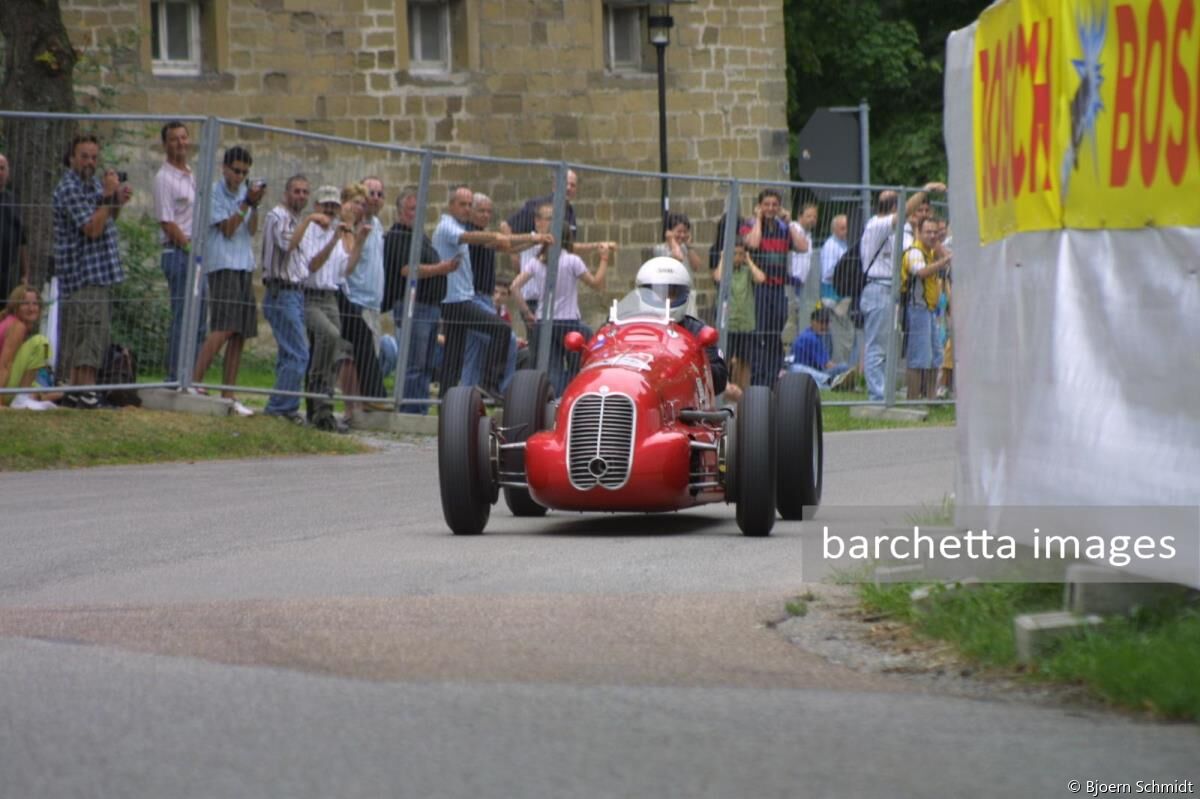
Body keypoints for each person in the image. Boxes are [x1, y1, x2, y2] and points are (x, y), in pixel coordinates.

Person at [435, 185, 548, 397]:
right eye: (477, 209)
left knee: (467, 352)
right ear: (452, 206)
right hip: (466, 299)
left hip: (472, 298)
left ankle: (457, 399)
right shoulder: (461, 232)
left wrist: (535, 241)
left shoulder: (469, 232)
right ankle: (493, 388)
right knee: (504, 337)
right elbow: (498, 241)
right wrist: (530, 237)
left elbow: (507, 247)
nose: (484, 214)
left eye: (488, 211)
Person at [52, 133, 131, 410]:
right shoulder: (69, 188)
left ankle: (77, 392)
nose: (90, 162)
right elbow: (92, 228)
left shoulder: (93, 185)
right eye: (84, 156)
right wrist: (109, 196)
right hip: (83, 274)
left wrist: (117, 201)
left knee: (96, 333)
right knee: (89, 333)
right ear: (71, 157)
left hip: (100, 273)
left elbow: (109, 217)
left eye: (94, 157)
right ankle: (85, 392)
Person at [190, 146, 267, 416]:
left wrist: (254, 204)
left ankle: (228, 394)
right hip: (222, 264)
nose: (240, 177)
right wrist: (247, 203)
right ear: (225, 168)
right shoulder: (213, 193)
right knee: (223, 327)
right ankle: (194, 382)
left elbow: (252, 230)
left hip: (244, 264)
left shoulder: (246, 194)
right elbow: (227, 228)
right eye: (236, 171)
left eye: (245, 173)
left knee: (240, 332)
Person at [858, 182, 945, 402]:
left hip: (892, 291)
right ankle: (877, 397)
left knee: (887, 348)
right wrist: (925, 190)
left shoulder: (900, 232)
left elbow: (921, 246)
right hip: (879, 287)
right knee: (877, 347)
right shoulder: (877, 225)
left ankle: (884, 393)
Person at [294, 184, 371, 432]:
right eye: (325, 205)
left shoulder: (336, 233)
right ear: (316, 207)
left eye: (333, 206)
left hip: (330, 296)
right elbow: (313, 265)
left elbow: (345, 269)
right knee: (329, 336)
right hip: (310, 295)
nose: (329, 210)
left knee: (331, 349)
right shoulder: (309, 233)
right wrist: (335, 239)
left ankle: (321, 411)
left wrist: (358, 241)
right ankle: (319, 401)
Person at [382, 186, 458, 414]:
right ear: (400, 211)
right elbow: (407, 269)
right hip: (414, 307)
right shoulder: (397, 236)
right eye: (411, 209)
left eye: (418, 209)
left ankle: (420, 408)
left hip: (430, 307)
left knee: (426, 363)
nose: (415, 214)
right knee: (414, 363)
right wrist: (441, 268)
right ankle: (409, 410)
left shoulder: (419, 237)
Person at [510, 228, 611, 395]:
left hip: (543, 321)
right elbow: (596, 284)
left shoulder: (536, 262)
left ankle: (553, 406)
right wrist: (604, 258)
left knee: (552, 371)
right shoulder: (572, 261)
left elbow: (514, 287)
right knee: (576, 365)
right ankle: (574, 396)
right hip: (568, 322)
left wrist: (527, 312)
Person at [152, 120, 204, 383]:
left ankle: (191, 376)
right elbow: (167, 220)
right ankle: (175, 376)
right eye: (174, 139)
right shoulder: (164, 178)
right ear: (165, 144)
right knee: (183, 316)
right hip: (179, 253)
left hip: (194, 254)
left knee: (199, 319)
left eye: (184, 138)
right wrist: (189, 247)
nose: (181, 143)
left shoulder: (190, 174)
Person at [738, 188, 807, 387]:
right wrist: (759, 219)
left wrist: (789, 222)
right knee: (759, 333)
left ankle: (773, 376)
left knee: (775, 334)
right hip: (759, 289)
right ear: (760, 206)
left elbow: (803, 247)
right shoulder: (749, 226)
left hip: (778, 289)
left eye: (774, 205)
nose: (771, 208)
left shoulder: (784, 228)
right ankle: (759, 380)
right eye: (766, 204)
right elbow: (753, 243)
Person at [633, 256, 727, 396]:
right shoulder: (629, 329)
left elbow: (720, 379)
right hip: (640, 396)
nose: (665, 300)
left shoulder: (697, 331)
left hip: (684, 404)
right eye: (656, 294)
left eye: (671, 294)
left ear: (684, 294)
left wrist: (692, 369)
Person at [259, 174, 311, 424]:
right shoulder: (277, 217)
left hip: (296, 292)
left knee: (288, 354)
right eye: (296, 191)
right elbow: (287, 244)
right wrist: (310, 220)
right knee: (299, 354)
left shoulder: (296, 220)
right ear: (286, 193)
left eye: (304, 192)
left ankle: (284, 407)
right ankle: (280, 408)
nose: (301, 196)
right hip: (281, 292)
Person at [337, 175, 388, 409]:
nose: (375, 198)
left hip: (373, 302)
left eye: (380, 194)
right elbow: (348, 263)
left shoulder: (377, 226)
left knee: (370, 354)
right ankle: (354, 405)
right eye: (371, 193)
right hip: (355, 297)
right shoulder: (355, 225)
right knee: (351, 356)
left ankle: (363, 404)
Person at [900, 216, 950, 399]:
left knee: (935, 354)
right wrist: (942, 262)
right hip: (916, 310)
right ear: (919, 233)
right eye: (927, 232)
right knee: (919, 356)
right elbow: (921, 272)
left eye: (935, 232)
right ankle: (913, 398)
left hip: (930, 310)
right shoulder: (915, 252)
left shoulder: (930, 251)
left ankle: (930, 398)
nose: (932, 235)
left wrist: (939, 249)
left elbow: (948, 257)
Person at [712, 237, 765, 399]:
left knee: (744, 360)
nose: (737, 257)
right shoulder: (725, 270)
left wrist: (748, 260)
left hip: (746, 324)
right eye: (734, 254)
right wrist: (723, 258)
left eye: (740, 254)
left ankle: (743, 392)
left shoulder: (746, 271)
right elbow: (718, 278)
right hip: (728, 324)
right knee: (725, 359)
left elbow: (761, 278)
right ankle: (724, 391)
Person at [0, 285, 60, 410]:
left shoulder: (11, 322)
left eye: (35, 303)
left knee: (39, 384)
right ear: (15, 306)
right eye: (25, 304)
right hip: (3, 387)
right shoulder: (17, 327)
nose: (31, 308)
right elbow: (5, 364)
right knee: (42, 342)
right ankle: (21, 400)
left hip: (11, 383)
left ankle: (28, 397)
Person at [789, 307, 853, 390]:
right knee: (844, 367)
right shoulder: (810, 338)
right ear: (812, 322)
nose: (824, 326)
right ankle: (834, 383)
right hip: (806, 372)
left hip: (806, 373)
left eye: (826, 323)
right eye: (821, 322)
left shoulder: (808, 334)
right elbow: (827, 365)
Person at [0, 153, 30, 302]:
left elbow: (22, 240)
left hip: (7, 276)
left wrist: (25, 274)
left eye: (2, 168)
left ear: (8, 172)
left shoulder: (13, 201)